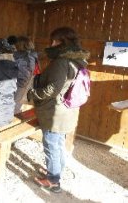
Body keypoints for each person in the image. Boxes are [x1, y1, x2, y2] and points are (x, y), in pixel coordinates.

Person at [27, 27, 90, 193]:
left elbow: (52, 89)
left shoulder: (62, 62)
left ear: (64, 42)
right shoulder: (78, 59)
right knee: (59, 144)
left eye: (55, 41)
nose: (52, 44)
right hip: (67, 110)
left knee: (52, 145)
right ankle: (56, 172)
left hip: (55, 113)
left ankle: (53, 181)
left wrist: (33, 94)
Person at [12, 36, 38, 114]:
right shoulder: (29, 55)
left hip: (19, 84)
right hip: (22, 84)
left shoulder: (25, 57)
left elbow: (24, 75)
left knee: (15, 104)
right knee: (17, 102)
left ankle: (14, 118)